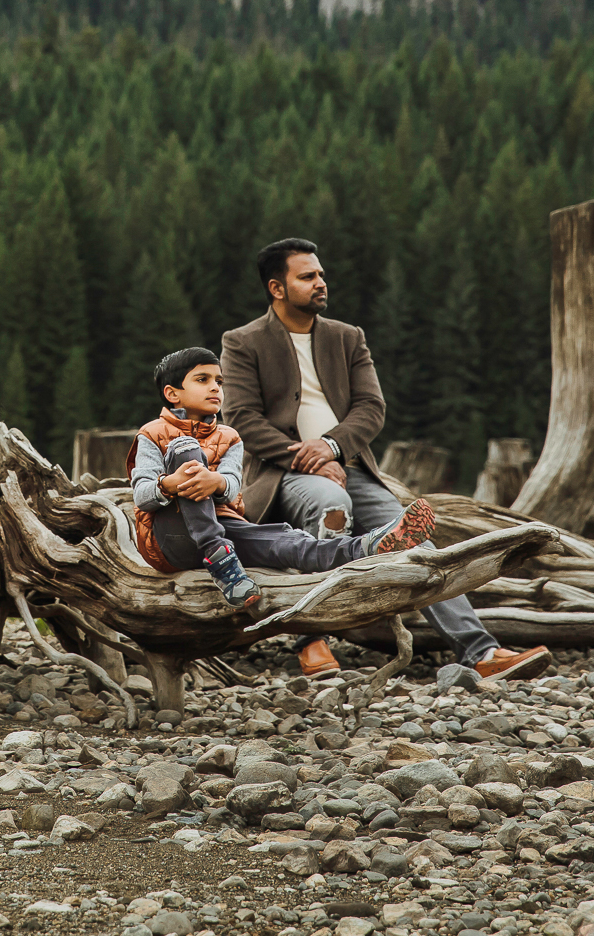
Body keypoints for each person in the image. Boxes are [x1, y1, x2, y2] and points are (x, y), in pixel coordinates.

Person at [220, 237, 552, 682]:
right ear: (277, 288)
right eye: (308, 276)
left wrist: (332, 446)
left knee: (415, 542)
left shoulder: (346, 337)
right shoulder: (243, 342)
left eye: (321, 274)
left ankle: (481, 652)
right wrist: (307, 456)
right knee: (326, 503)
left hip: (352, 467)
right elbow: (241, 417)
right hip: (280, 475)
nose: (321, 282)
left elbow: (371, 408)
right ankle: (311, 639)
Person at [131, 347, 438, 611]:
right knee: (186, 448)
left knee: (291, 543)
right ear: (172, 394)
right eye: (203, 380)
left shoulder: (229, 436)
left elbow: (232, 488)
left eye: (219, 381)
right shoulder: (152, 433)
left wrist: (217, 483)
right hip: (170, 540)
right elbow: (142, 494)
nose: (216, 388)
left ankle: (366, 547)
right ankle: (220, 559)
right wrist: (170, 484)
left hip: (224, 529)